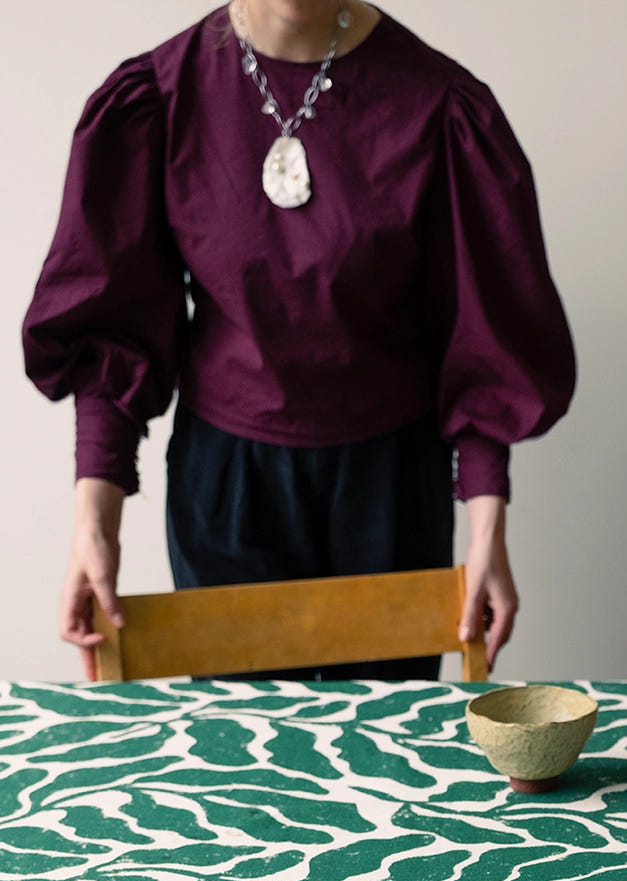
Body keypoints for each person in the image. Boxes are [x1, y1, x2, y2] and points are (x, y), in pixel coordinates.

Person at [23, 0, 575, 680]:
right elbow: (115, 326)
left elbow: (482, 332)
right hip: (228, 488)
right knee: (243, 739)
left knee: (385, 736)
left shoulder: (440, 106)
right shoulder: (159, 99)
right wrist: (94, 528)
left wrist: (487, 531)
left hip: (390, 487)